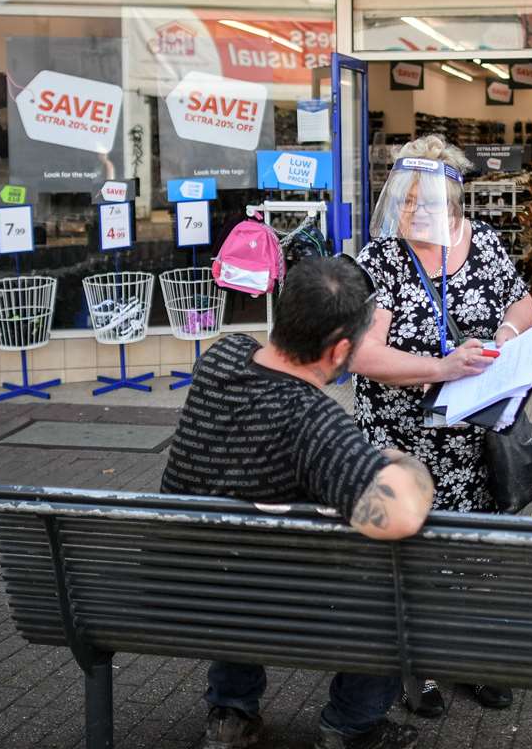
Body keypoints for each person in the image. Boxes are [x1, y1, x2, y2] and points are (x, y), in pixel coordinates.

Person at [160, 256, 435, 749]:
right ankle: (351, 725)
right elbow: (401, 515)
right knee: (399, 585)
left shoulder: (219, 359)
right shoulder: (313, 422)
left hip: (183, 593)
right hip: (284, 610)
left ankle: (231, 711)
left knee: (233, 555)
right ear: (340, 350)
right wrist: (401, 462)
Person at [350, 134, 532, 716]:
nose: (419, 211)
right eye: (408, 201)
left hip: (473, 444)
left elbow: (521, 303)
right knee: (410, 558)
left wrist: (505, 341)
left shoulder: (483, 244)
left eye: (431, 200)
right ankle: (418, 668)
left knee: (473, 554)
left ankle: (471, 659)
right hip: (399, 444)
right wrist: (442, 366)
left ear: (455, 202)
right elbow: (360, 354)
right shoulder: (377, 260)